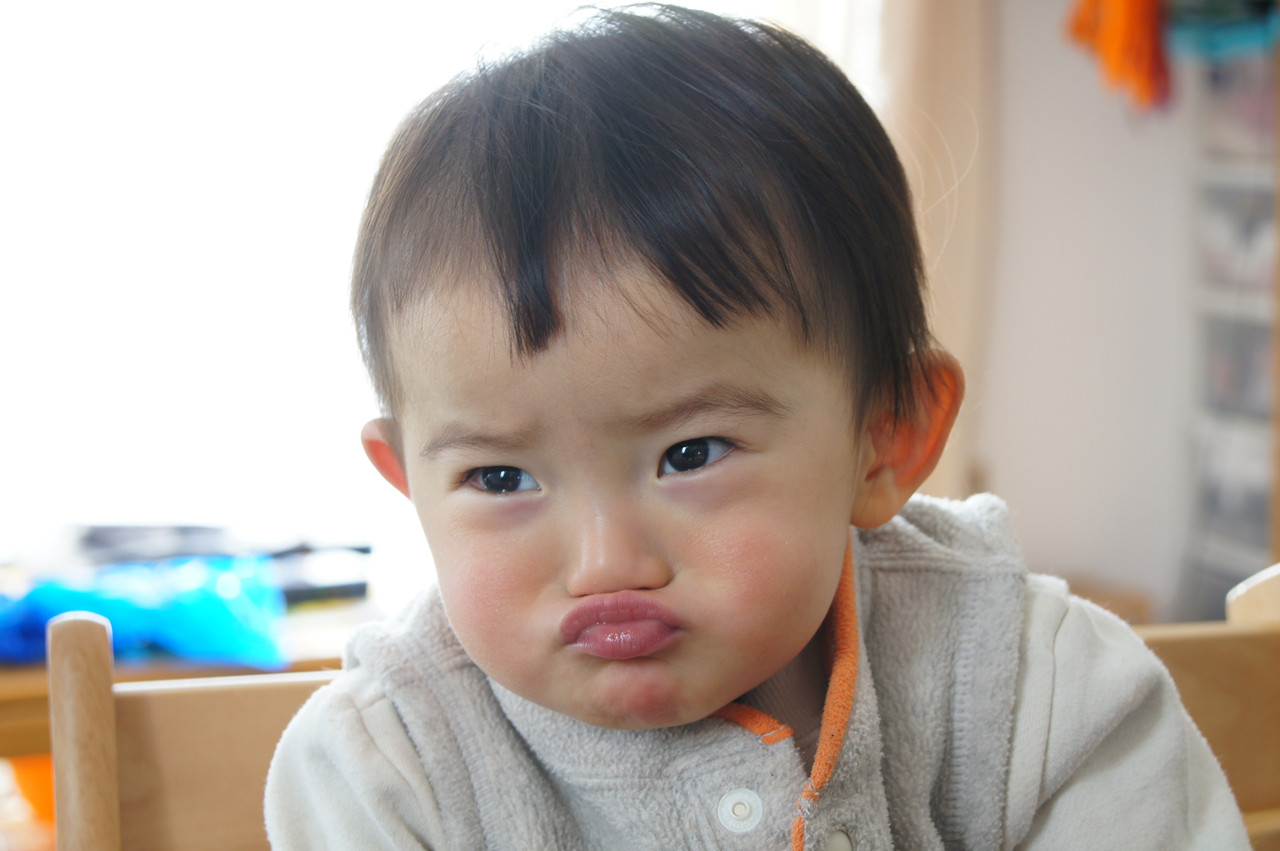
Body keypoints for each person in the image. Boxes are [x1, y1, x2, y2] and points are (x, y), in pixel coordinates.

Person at [264, 6, 1248, 848]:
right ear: (408, 482)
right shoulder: (386, 766)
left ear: (885, 435)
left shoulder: (1037, 686)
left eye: (689, 454)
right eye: (500, 477)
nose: (606, 562)